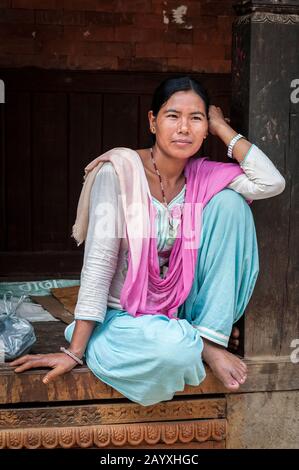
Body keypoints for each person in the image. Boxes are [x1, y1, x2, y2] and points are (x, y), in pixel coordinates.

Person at [11, 76, 285, 406]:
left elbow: (271, 182)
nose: (184, 128)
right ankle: (180, 342)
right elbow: (98, 266)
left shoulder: (203, 177)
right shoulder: (118, 173)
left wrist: (222, 128)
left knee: (232, 205)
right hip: (125, 316)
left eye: (195, 118)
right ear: (153, 121)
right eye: (173, 116)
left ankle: (209, 340)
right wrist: (74, 352)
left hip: (180, 310)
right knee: (175, 351)